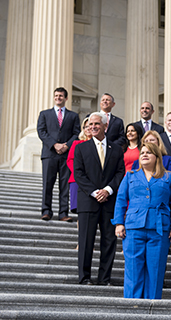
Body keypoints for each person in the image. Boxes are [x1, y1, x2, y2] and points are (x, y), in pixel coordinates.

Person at [112, 143, 171, 299]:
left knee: (155, 270)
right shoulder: (130, 175)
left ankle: (152, 306)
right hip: (133, 228)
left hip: (159, 229)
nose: (144, 154)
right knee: (133, 269)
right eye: (142, 152)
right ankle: (132, 306)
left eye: (149, 153)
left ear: (157, 157)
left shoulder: (169, 177)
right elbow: (121, 200)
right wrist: (118, 223)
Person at [74, 112, 125, 285]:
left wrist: (108, 190)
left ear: (105, 126)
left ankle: (104, 278)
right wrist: (96, 192)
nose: (93, 127)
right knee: (86, 241)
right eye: (90, 125)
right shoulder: (81, 147)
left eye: (96, 124)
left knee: (109, 242)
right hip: (88, 201)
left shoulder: (117, 149)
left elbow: (120, 173)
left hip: (110, 202)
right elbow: (78, 174)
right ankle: (84, 277)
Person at [37, 87, 81, 221]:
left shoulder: (73, 116)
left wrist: (67, 145)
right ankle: (46, 211)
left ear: (66, 98)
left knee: (64, 185)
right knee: (47, 183)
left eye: (61, 96)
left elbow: (76, 133)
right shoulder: (44, 114)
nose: (58, 98)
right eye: (56, 95)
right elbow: (41, 131)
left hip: (65, 155)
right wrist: (54, 144)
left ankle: (63, 213)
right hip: (49, 154)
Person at [67, 118, 92, 214]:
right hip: (76, 179)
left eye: (90, 125)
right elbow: (70, 160)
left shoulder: (99, 145)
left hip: (93, 180)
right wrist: (80, 172)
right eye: (86, 126)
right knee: (79, 210)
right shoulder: (77, 143)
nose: (88, 128)